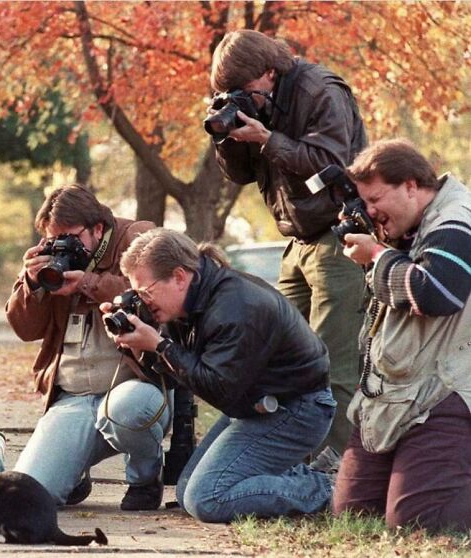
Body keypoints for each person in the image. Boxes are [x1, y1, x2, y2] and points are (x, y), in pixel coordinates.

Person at [104, 227, 336, 523]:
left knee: (207, 498)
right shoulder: (186, 305)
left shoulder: (236, 307)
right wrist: (138, 346)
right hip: (253, 406)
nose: (143, 301)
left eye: (146, 293)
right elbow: (174, 379)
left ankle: (330, 487)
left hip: (298, 409)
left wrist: (161, 346)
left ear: (179, 276)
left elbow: (218, 390)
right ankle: (302, 473)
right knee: (188, 492)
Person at [209, 29, 368, 453]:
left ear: (269, 72)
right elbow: (241, 175)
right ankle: (287, 459)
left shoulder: (319, 90)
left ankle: (338, 473)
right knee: (280, 359)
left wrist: (266, 138)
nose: (242, 98)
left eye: (244, 89)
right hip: (296, 241)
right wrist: (227, 136)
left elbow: (332, 162)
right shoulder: (260, 98)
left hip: (338, 234)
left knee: (330, 365)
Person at [331, 139, 471, 532]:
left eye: (375, 199)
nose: (370, 210)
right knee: (353, 514)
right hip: (395, 392)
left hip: (444, 389)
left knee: (420, 520)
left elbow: (436, 293)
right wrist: (380, 242)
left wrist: (377, 256)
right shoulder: (410, 226)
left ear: (411, 185)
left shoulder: (456, 220)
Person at [5, 184, 170, 511]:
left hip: (133, 391)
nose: (62, 247)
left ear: (97, 229)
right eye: (54, 239)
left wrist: (86, 283)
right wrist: (31, 284)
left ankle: (145, 478)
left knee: (126, 409)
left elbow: (151, 293)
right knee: (28, 497)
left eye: (70, 237)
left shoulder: (136, 238)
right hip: (74, 399)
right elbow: (26, 330)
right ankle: (72, 470)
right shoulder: (53, 262)